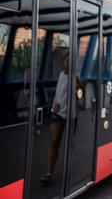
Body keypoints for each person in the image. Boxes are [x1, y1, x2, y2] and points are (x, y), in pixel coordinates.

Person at [40, 52, 81, 183]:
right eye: (67, 61)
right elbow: (59, 94)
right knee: (54, 142)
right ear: (63, 61)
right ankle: (48, 173)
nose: (68, 63)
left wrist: (78, 86)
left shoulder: (75, 77)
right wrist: (55, 104)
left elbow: (81, 95)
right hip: (57, 114)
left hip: (71, 116)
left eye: (71, 62)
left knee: (69, 144)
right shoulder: (61, 75)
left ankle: (67, 170)